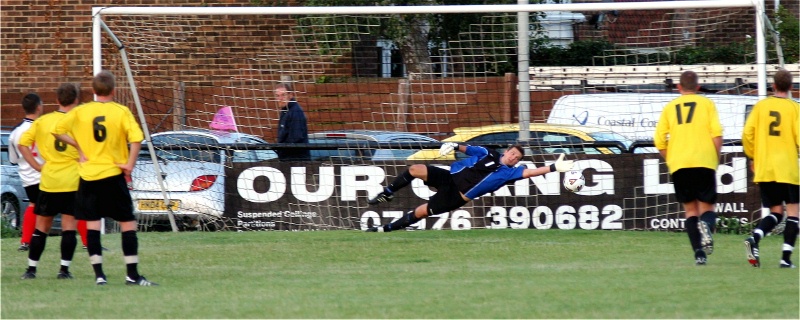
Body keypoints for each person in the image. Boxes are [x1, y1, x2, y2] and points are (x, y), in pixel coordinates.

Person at [53, 70, 156, 286]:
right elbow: (136, 139)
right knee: (127, 224)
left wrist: (79, 147)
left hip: (89, 177)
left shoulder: (81, 111)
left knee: (92, 226)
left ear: (93, 91)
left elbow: (57, 130)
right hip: (112, 175)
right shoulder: (121, 111)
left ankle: (99, 275)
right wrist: (129, 164)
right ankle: (132, 275)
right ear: (114, 90)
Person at [365, 143, 574, 232]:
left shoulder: (510, 172)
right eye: (512, 153)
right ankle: (387, 194)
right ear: (506, 151)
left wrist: (555, 167)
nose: (512, 158)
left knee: (420, 212)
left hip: (457, 196)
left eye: (517, 158)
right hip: (449, 178)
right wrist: (454, 146)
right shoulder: (488, 153)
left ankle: (385, 230)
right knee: (415, 169)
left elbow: (530, 172)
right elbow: (468, 148)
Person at [654, 70, 723, 266]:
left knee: (690, 211)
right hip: (704, 161)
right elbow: (717, 134)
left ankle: (699, 254)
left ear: (679, 87)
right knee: (707, 208)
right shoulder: (707, 104)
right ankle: (706, 225)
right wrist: (714, 158)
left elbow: (659, 141)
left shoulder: (670, 107)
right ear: (698, 87)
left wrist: (672, 158)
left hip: (680, 164)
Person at [18, 83, 84, 279]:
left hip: (50, 179)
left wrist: (37, 166)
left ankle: (31, 269)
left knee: (42, 226)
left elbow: (23, 145)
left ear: (56, 100)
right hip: (72, 178)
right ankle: (64, 270)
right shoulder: (79, 121)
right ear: (76, 100)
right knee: (69, 226)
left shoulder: (43, 121)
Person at [742, 69, 799, 269]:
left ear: (773, 86)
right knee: (793, 213)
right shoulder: (794, 108)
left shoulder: (760, 107)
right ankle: (785, 259)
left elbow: (747, 134)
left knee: (775, 212)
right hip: (787, 168)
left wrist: (752, 156)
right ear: (791, 87)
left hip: (765, 167)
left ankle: (754, 237)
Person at [8, 93, 44, 252]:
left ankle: (25, 242)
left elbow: (13, 160)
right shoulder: (44, 127)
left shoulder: (16, 131)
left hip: (28, 178)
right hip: (47, 175)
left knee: (33, 205)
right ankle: (86, 242)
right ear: (38, 107)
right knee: (72, 207)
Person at [274, 82, 310, 161]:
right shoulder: (285, 111)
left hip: (296, 161)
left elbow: (296, 137)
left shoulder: (295, 111)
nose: (280, 98)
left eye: (283, 95)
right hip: (287, 161)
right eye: (277, 96)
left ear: (291, 95)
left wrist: (281, 150)